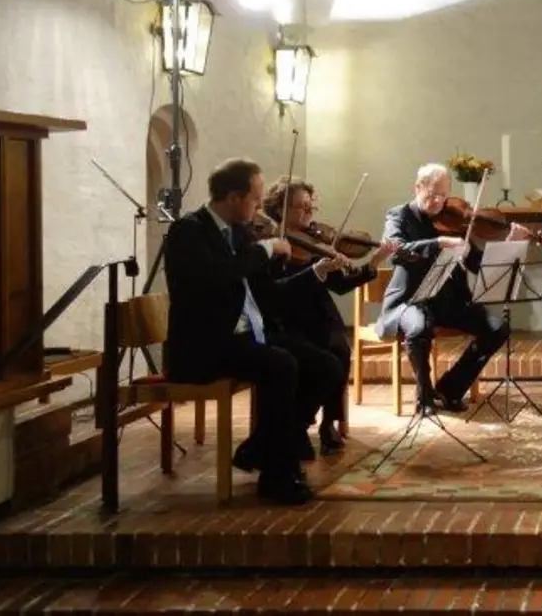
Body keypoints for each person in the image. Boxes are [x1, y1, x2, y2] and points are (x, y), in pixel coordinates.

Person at [162, 158, 316, 504]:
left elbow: (260, 287)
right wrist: (262, 250)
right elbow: (216, 278)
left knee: (319, 363)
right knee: (281, 365)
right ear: (232, 197)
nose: (260, 207)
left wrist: (275, 260)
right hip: (204, 346)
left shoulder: (238, 231)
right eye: (255, 199)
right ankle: (277, 476)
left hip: (243, 337)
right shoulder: (188, 231)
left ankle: (261, 449)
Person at [261, 177, 403, 455]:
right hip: (289, 319)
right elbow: (276, 293)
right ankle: (298, 425)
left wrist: (373, 262)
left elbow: (339, 286)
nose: (308, 214)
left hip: (319, 314)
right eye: (301, 208)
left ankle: (328, 422)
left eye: (310, 207)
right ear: (280, 209)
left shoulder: (317, 242)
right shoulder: (272, 244)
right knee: (320, 354)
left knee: (339, 347)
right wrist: (315, 270)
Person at [376, 163, 530, 415]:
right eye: (432, 194)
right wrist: (438, 242)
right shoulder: (399, 215)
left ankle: (450, 388)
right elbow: (398, 251)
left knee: (497, 328)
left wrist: (508, 244)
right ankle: (424, 397)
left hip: (448, 302)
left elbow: (477, 265)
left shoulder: (454, 222)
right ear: (417, 187)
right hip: (410, 300)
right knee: (419, 325)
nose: (439, 201)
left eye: (444, 195)